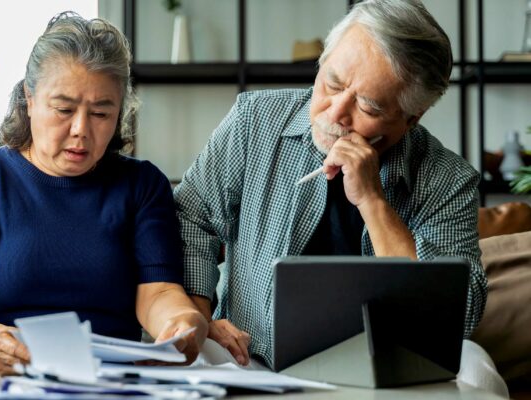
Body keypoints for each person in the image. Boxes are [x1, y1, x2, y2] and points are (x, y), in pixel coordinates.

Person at [175, 0, 508, 397]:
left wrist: (373, 201)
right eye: (332, 83)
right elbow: (191, 217)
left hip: (391, 370)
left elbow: (460, 314)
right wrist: (200, 313)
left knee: (480, 372)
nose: (335, 113)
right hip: (251, 353)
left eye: (367, 106)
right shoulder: (254, 121)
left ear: (410, 119)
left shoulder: (447, 179)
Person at [0, 12, 208, 399]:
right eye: (63, 109)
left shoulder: (141, 185)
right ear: (29, 99)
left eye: (100, 113)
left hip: (110, 371)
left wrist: (180, 323)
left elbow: (158, 293)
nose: (80, 129)